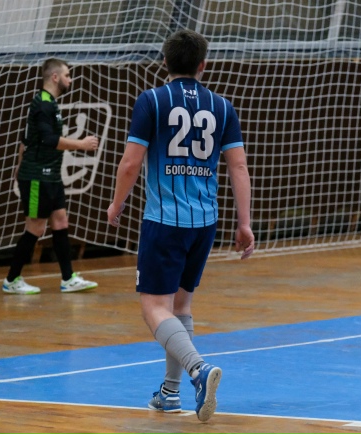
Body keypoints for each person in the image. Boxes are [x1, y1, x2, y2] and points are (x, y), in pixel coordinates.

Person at [107, 30, 255, 422]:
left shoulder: (152, 100)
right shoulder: (222, 106)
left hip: (164, 221)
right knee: (180, 306)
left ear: (164, 62)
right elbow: (239, 166)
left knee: (154, 308)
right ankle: (170, 393)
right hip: (205, 222)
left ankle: (197, 370)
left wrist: (117, 203)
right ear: (203, 65)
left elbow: (131, 163)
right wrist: (244, 223)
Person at [3, 58, 99, 295]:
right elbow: (48, 140)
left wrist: (19, 166)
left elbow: (26, 140)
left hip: (50, 175)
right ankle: (11, 280)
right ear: (55, 77)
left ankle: (68, 278)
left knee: (61, 221)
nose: (70, 80)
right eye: (67, 75)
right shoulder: (43, 104)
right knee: (36, 228)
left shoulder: (48, 103)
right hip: (38, 175)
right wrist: (82, 144)